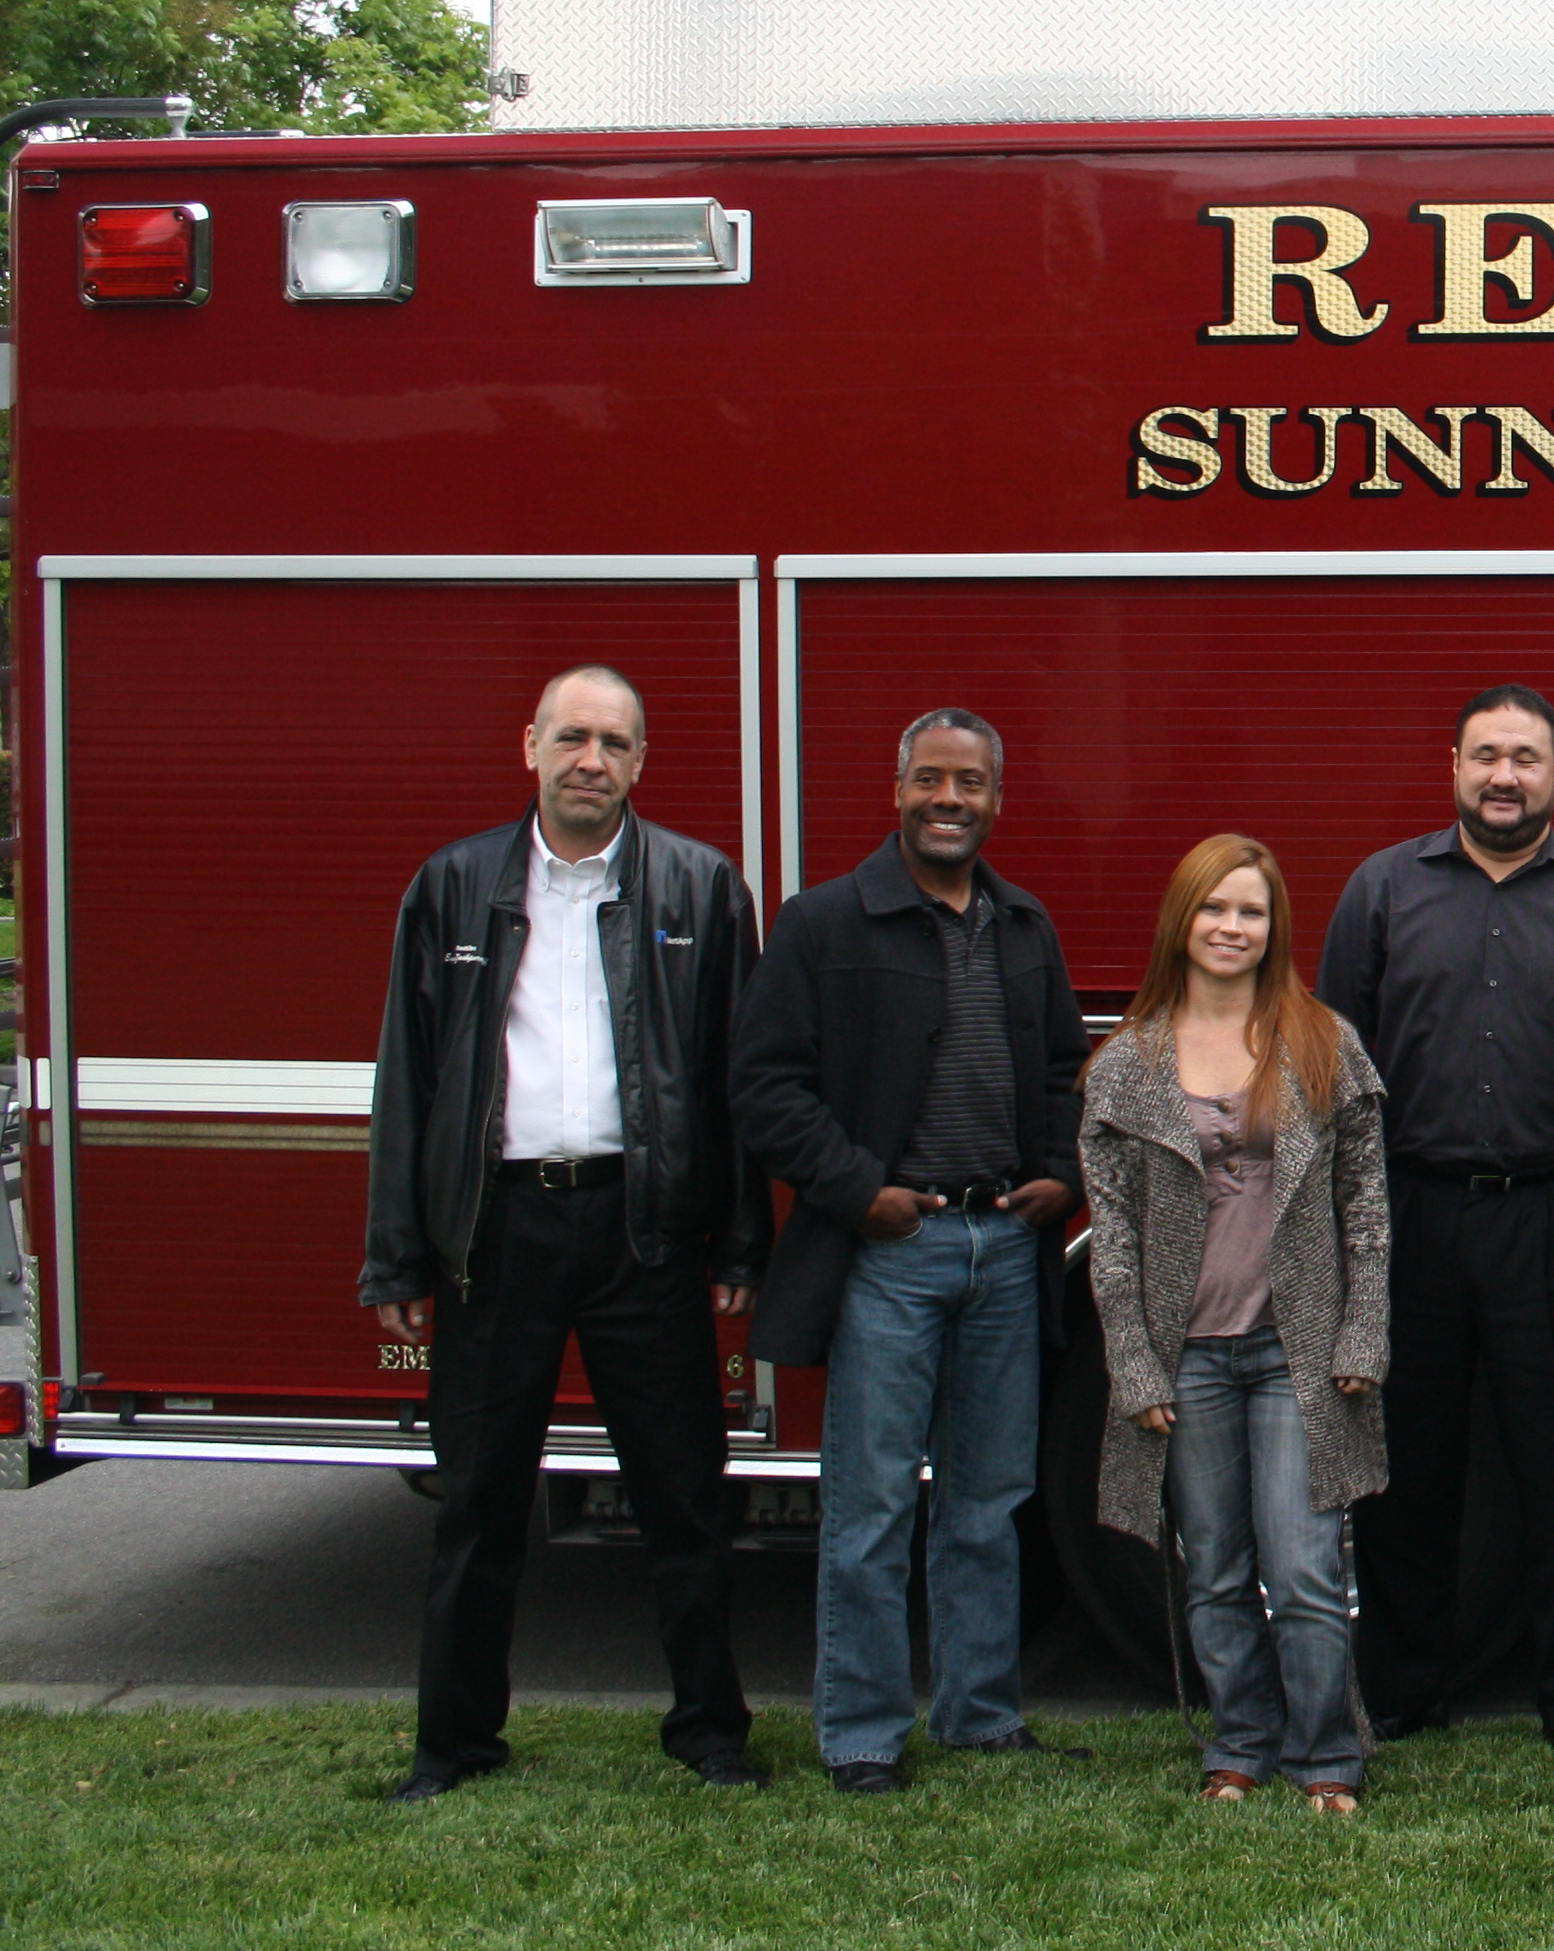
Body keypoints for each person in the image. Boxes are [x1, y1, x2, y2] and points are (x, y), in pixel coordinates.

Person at [359, 664, 771, 1801]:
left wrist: (741, 1241)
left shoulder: (700, 886)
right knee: (479, 1502)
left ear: (641, 763)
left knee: (685, 1498)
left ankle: (711, 1735)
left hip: (647, 1231)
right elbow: (410, 1080)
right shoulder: (452, 887)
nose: (593, 761)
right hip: (497, 1235)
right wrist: (398, 1253)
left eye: (616, 743)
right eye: (574, 738)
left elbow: (735, 1078)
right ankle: (452, 1747)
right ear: (530, 746)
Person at [732, 708, 1087, 1796]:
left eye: (970, 783)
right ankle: (863, 1736)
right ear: (897, 791)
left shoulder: (1022, 924)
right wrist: (859, 1193)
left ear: (996, 800)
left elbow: (1064, 1071)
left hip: (1005, 1248)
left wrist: (1060, 1173)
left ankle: (980, 1715)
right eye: (931, 779)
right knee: (872, 1506)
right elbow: (764, 1089)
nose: (949, 800)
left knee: (990, 1502)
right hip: (892, 1252)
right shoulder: (823, 923)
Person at [1317, 684, 1554, 1758]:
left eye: (1525, 758)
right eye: (1485, 756)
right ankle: (1406, 1691)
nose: (1504, 776)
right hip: (1410, 1215)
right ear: (1454, 767)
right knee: (1408, 1471)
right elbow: (1335, 1059)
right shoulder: (1382, 889)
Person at [1081, 835, 1391, 1812]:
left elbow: (1366, 1206)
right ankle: (1241, 1743)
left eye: (1250, 911)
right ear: (1183, 919)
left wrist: (1362, 1335)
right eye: (1214, 908)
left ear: (1274, 927)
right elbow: (1112, 1238)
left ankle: (1327, 1755)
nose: (1231, 927)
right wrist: (1135, 1367)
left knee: (1303, 1570)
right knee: (1213, 1571)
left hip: (1296, 1351)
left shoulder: (1323, 1043)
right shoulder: (1126, 1065)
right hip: (1189, 1359)